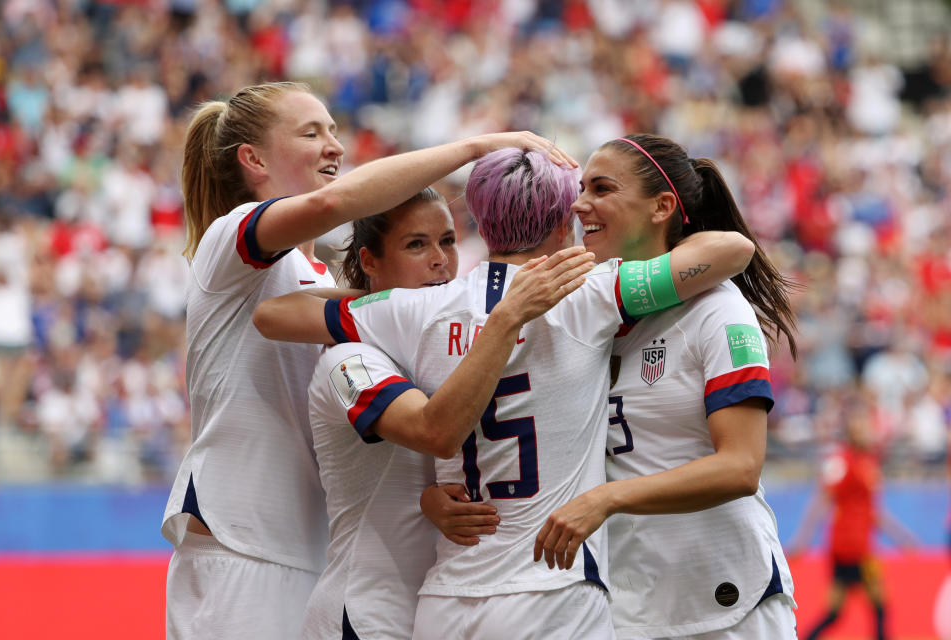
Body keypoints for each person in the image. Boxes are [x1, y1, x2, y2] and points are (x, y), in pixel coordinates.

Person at [253, 147, 753, 639]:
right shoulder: (593, 291)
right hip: (551, 591)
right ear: (563, 226)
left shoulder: (414, 311)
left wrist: (388, 300)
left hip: (446, 598)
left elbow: (273, 315)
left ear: (480, 223)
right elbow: (732, 249)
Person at [161, 79, 576, 639]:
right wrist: (475, 149)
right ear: (253, 159)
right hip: (243, 539)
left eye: (333, 130)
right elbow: (334, 205)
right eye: (311, 133)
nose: (334, 145)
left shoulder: (328, 291)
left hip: (311, 544)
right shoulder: (228, 240)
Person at [532, 133, 799, 639]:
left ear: (661, 207)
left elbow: (741, 466)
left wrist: (607, 498)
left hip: (730, 601)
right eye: (581, 187)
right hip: (631, 604)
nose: (579, 203)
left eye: (602, 188)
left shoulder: (718, 310)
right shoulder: (586, 312)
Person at [300, 187, 595, 639]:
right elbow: (432, 430)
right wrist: (425, 501)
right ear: (370, 261)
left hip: (442, 607)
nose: (440, 259)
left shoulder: (452, 338)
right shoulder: (347, 359)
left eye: (449, 240)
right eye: (416, 244)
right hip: (368, 612)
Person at [790, 397, 917, 640]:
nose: (864, 428)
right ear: (850, 429)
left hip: (853, 546)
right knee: (880, 607)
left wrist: (901, 536)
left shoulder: (868, 461)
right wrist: (802, 538)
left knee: (835, 613)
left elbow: (872, 512)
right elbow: (821, 500)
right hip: (853, 547)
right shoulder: (842, 462)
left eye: (866, 423)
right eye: (859, 423)